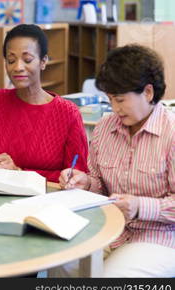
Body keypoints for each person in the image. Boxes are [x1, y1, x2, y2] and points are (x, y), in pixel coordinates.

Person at [59, 44, 175, 277]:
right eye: (110, 99)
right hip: (110, 230)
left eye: (120, 100)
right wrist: (85, 182)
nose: (114, 109)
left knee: (111, 279)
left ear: (148, 93)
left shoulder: (171, 134)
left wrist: (140, 206)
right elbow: (98, 182)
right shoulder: (105, 127)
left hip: (159, 238)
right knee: (59, 259)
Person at [0, 24, 88, 182]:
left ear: (43, 62)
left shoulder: (68, 113)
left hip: (46, 201)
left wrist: (19, 172)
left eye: (27, 60)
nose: (18, 67)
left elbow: (76, 176)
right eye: (11, 60)